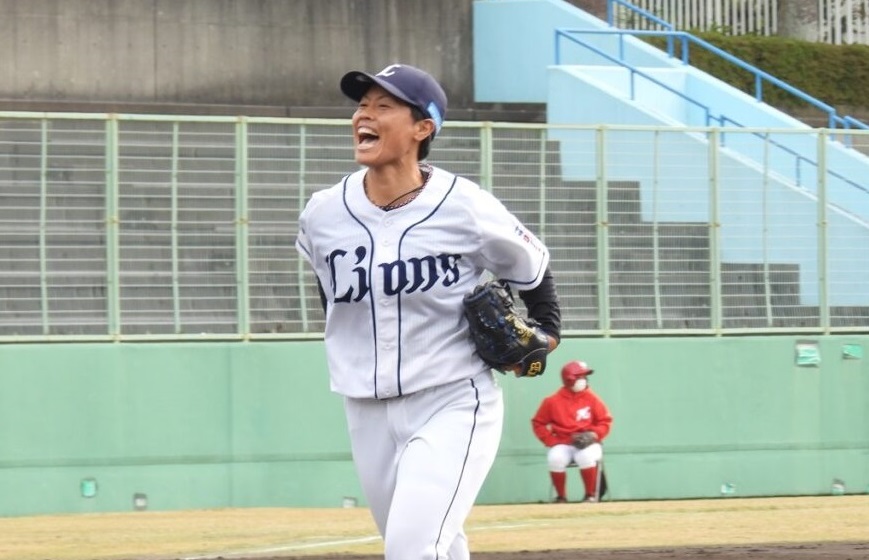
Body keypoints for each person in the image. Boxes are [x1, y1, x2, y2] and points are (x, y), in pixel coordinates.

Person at [294, 63, 562, 560]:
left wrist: (547, 333)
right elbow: (326, 287)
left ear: (423, 127)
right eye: (362, 105)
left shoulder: (463, 206)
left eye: (383, 106)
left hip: (451, 400)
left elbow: (532, 266)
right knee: (438, 544)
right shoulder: (324, 212)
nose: (364, 116)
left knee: (412, 549)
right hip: (365, 408)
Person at [531, 360, 613, 503]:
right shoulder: (552, 401)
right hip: (564, 442)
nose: (584, 380)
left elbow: (605, 422)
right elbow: (538, 423)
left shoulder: (592, 398)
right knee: (555, 458)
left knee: (585, 456)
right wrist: (552, 440)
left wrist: (593, 434)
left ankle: (590, 496)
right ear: (570, 379)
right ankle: (561, 497)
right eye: (581, 377)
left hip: (588, 443)